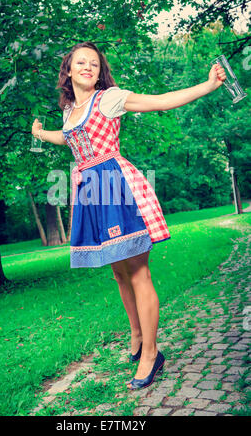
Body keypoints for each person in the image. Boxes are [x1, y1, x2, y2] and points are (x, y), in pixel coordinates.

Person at [32, 41, 226, 390]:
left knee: (137, 272)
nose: (88, 66)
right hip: (90, 194)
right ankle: (137, 336)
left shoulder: (110, 98)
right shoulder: (69, 111)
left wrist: (209, 85)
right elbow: (66, 138)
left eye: (94, 62)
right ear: (69, 71)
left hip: (117, 187)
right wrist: (39, 134)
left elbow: (161, 100)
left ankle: (152, 353)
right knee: (119, 273)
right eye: (81, 62)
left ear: (99, 70)